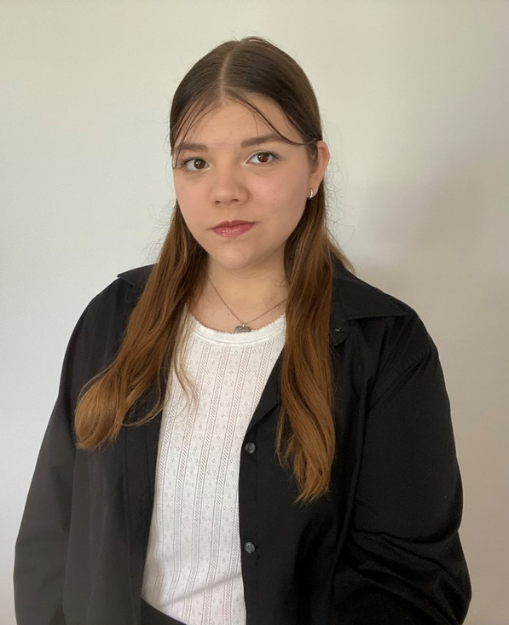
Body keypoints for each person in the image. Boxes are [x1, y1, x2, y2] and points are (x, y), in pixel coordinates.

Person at [14, 37, 471, 625]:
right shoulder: (114, 318)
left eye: (261, 156)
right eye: (196, 161)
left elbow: (411, 585)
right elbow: (52, 535)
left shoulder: (384, 344)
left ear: (315, 167)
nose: (224, 190)